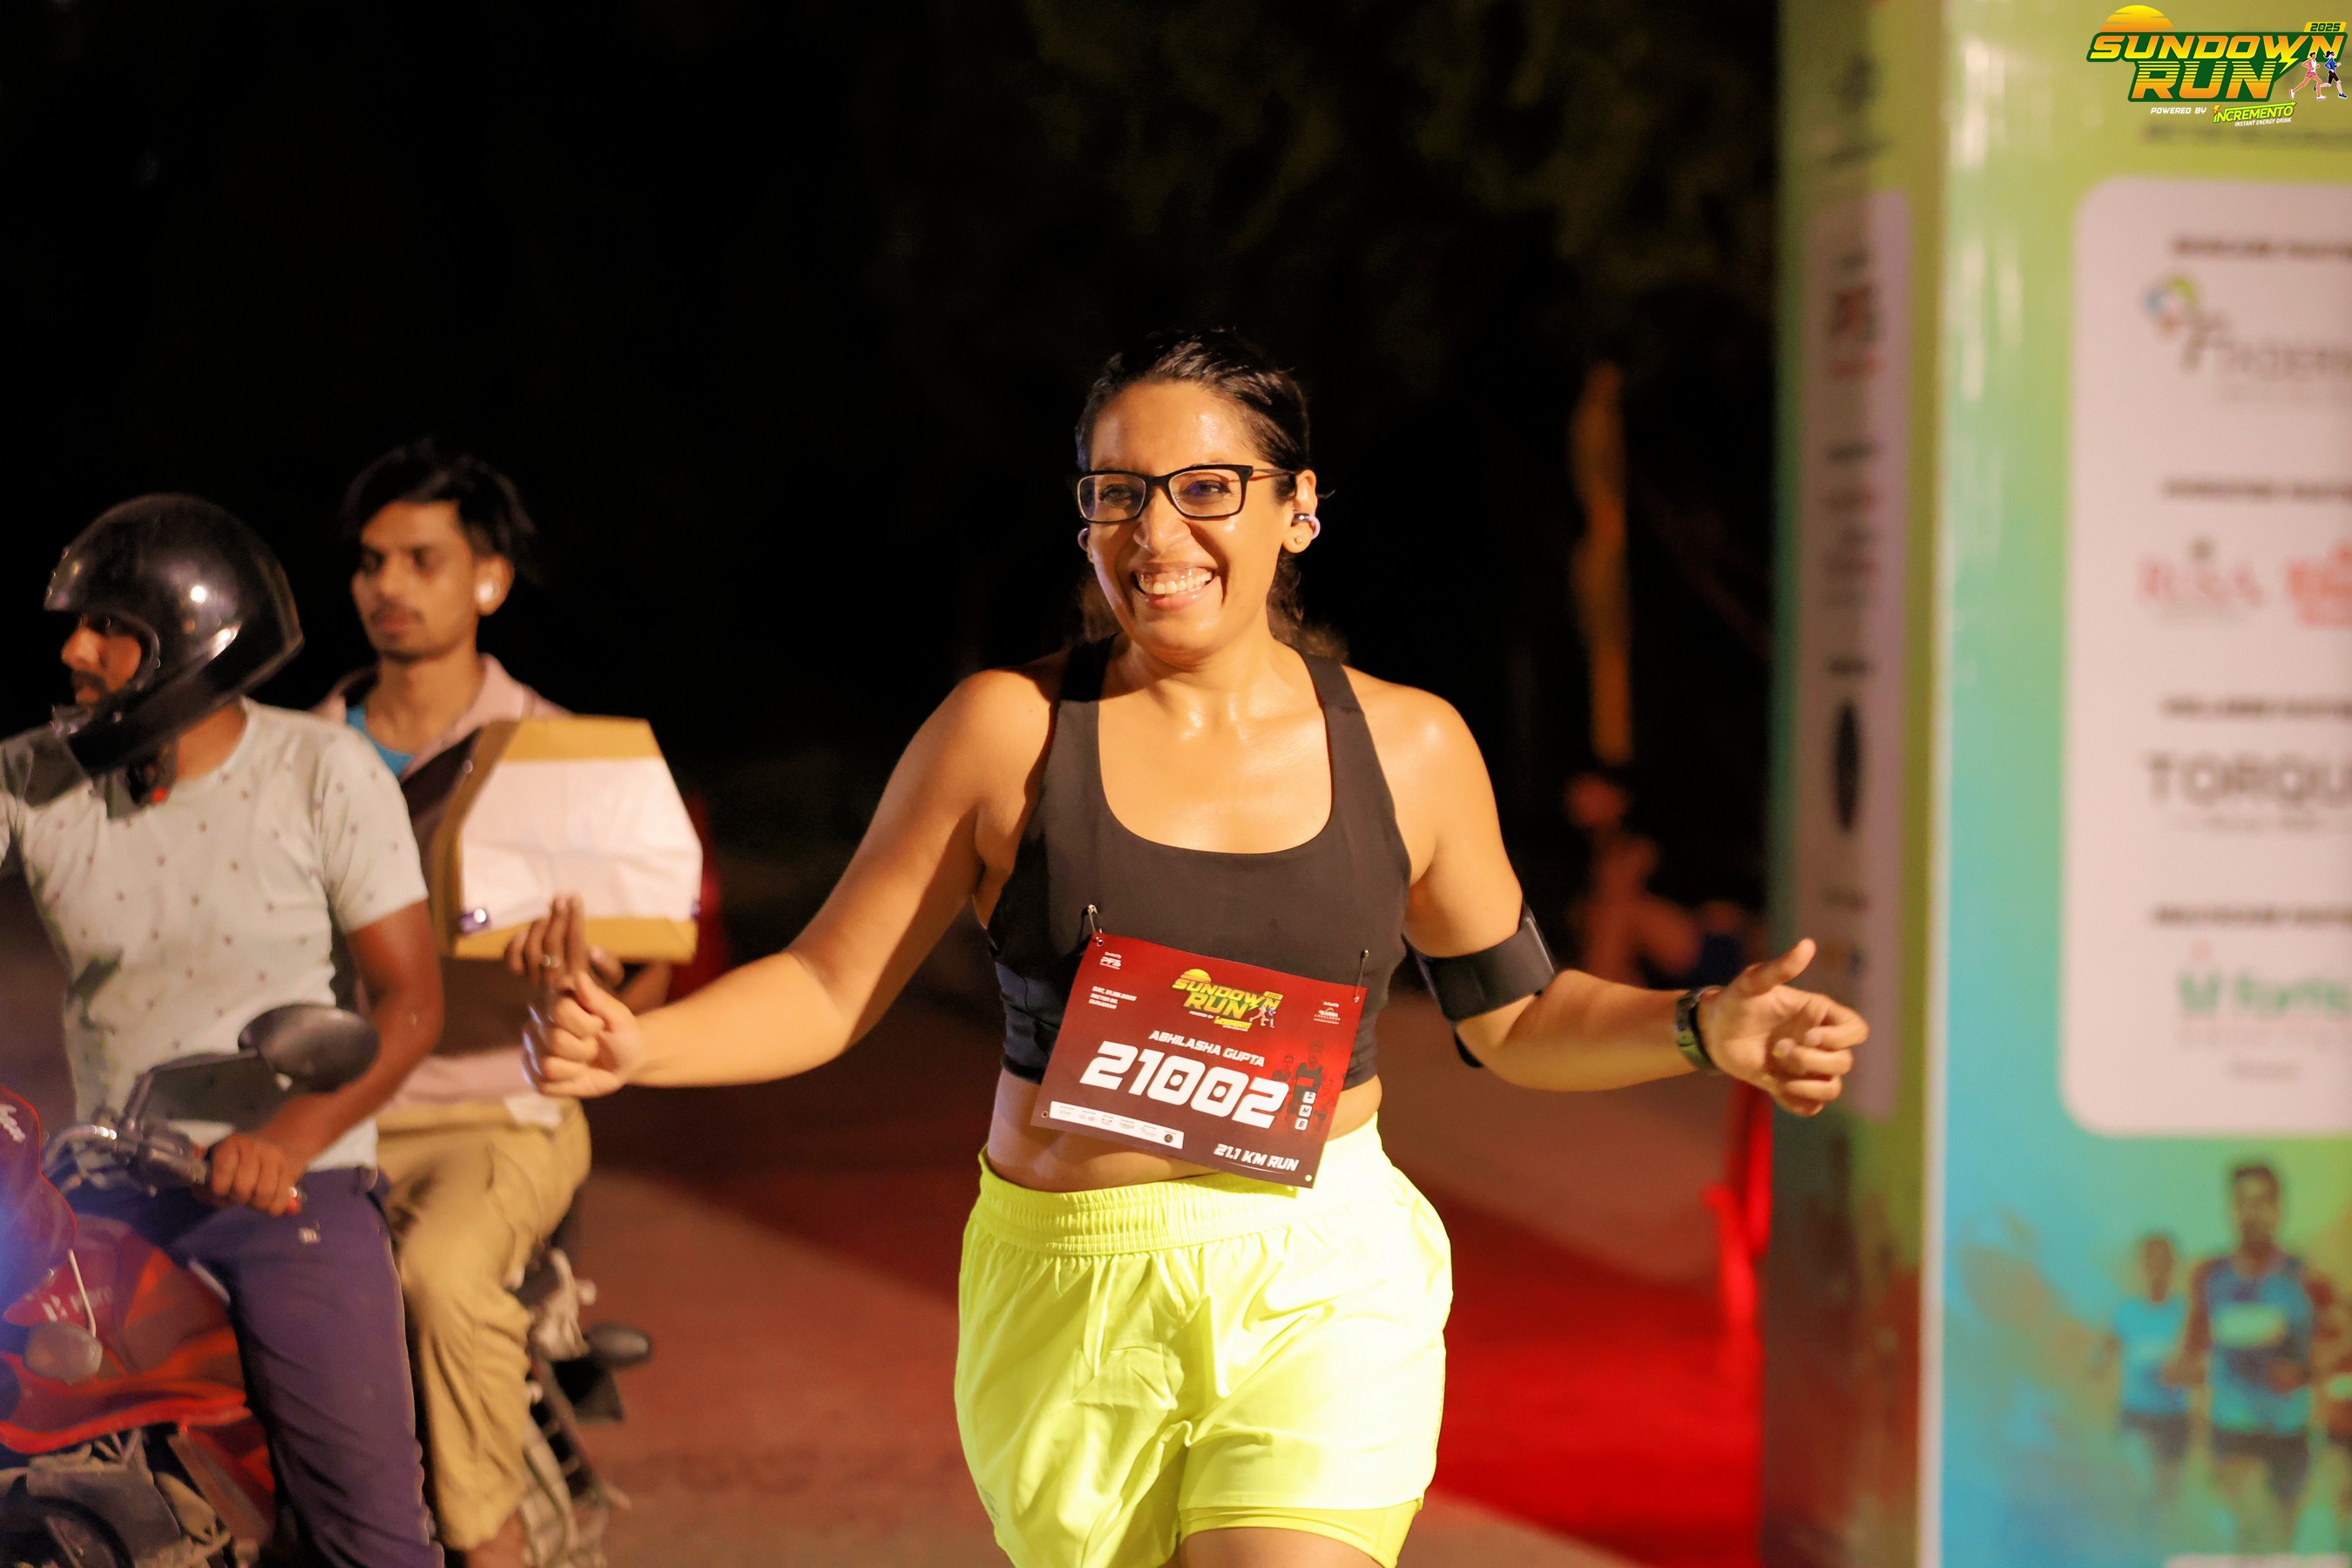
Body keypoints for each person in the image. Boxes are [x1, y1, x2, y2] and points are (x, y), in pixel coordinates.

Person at [517, 328, 1866, 1568]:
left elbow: (1515, 1016)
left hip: (1319, 1273)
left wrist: (1703, 1027)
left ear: (1299, 508)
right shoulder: (1007, 734)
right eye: (1118, 493)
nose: (1157, 532)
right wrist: (638, 1044)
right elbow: (829, 984)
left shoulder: (1410, 747)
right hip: (1072, 1285)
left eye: (1207, 488)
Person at [1, 495, 443, 1567]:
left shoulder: (321, 772)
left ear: (194, 644)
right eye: (78, 625)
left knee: (372, 1536)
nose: (74, 651)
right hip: (99, 1185)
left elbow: (409, 1002)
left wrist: (285, 1142)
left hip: (286, 1194)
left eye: (109, 628)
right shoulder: (33, 777)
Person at [317, 440, 670, 1568]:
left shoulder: (561, 756)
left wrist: (586, 987)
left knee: (438, 1277)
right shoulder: (296, 755)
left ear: (488, 579)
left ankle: (491, 1545)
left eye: (422, 559)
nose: (389, 585)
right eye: (372, 560)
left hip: (497, 1113)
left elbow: (651, 970)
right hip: (330, 1117)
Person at [2180, 1162, 2319, 1553]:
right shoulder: (2210, 1275)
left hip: (2288, 1432)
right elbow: (2193, 1347)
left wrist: (2304, 1372)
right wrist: (2187, 1373)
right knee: (2251, 1531)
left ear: (2279, 1210)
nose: (2251, 1213)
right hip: (2233, 1428)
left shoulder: (2303, 1275)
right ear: (2231, 1209)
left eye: (2261, 1203)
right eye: (2242, 1203)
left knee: (2279, 1544)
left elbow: (2336, 1344)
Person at [2098, 1233, 2190, 1507]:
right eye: (2152, 1262)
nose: (2157, 1269)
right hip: (2135, 1416)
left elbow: (2202, 1365)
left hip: (2173, 1418)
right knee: (2139, 1492)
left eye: (2164, 1262)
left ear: (2172, 1266)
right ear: (2142, 1266)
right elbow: (2104, 1353)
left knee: (2167, 1498)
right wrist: (2097, 1360)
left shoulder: (2185, 1313)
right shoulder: (2127, 1311)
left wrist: (2180, 1372)